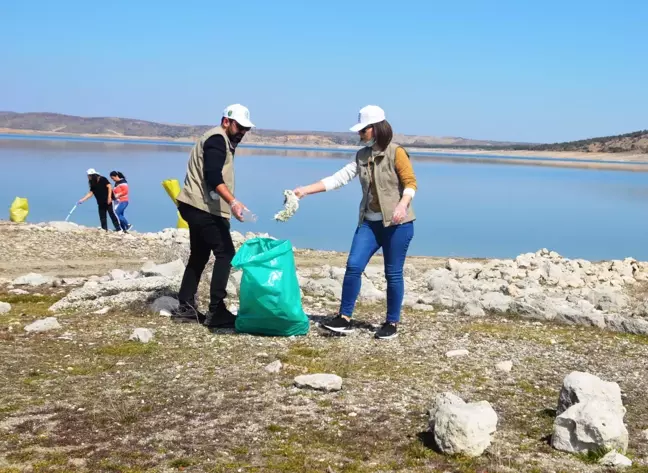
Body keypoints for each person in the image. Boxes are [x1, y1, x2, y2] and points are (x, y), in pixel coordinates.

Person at [292, 105, 417, 340]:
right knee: (353, 266)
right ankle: (344, 318)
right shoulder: (361, 156)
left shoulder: (396, 153)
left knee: (393, 273)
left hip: (398, 225)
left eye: (362, 130)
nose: (359, 135)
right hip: (369, 223)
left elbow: (410, 183)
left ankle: (391, 322)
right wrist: (305, 190)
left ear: (376, 129)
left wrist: (402, 205)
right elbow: (338, 179)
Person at [173, 104, 255, 329]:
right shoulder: (217, 140)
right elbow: (212, 176)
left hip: (193, 205)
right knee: (226, 253)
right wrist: (233, 202)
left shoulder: (220, 140)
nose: (243, 132)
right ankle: (216, 311)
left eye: (246, 129)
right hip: (202, 207)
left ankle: (186, 307)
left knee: (199, 255)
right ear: (226, 121)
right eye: (240, 127)